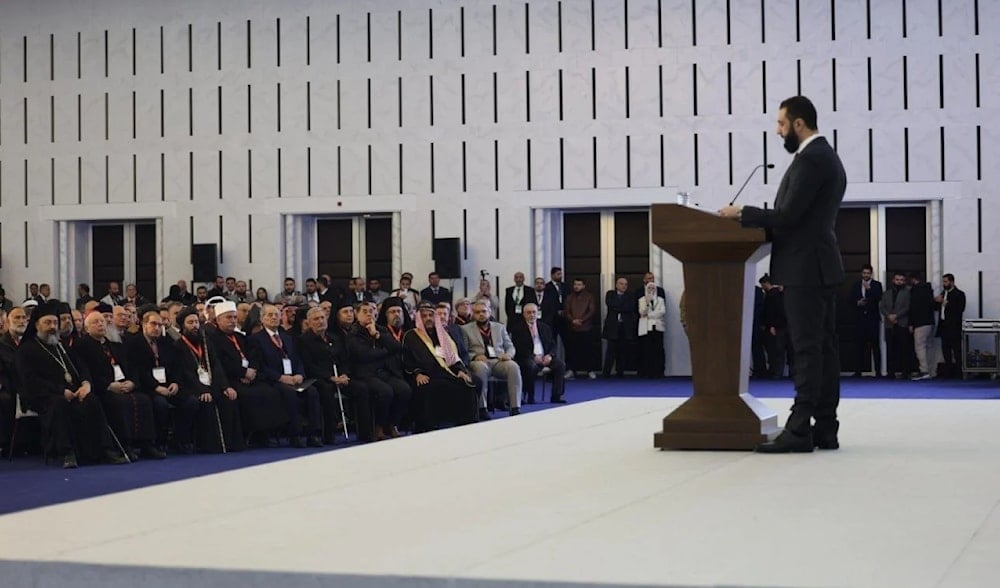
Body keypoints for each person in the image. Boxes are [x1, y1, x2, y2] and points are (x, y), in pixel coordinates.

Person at [719, 95, 847, 453]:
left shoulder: (811, 160)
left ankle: (799, 430)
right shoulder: (827, 158)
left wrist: (742, 212)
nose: (778, 131)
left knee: (808, 350)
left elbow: (788, 216)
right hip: (818, 266)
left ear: (799, 123)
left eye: (781, 124)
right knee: (822, 349)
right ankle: (824, 427)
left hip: (805, 268)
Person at [16, 301, 127, 468]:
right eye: (48, 323)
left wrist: (85, 384)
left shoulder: (60, 346)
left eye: (55, 322)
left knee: (91, 400)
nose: (53, 327)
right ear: (37, 325)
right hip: (42, 396)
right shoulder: (26, 350)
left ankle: (104, 450)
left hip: (71, 392)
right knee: (59, 404)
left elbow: (80, 367)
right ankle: (67, 452)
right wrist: (61, 390)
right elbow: (30, 381)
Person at [402, 302, 479, 431]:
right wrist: (417, 373)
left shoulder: (442, 334)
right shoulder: (411, 335)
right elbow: (407, 360)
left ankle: (465, 424)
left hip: (446, 372)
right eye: (424, 316)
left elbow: (453, 356)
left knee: (466, 383)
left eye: (430, 316)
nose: (428, 319)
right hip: (425, 374)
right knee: (429, 388)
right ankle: (430, 427)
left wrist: (460, 370)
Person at [510, 303, 566, 404]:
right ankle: (530, 396)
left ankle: (556, 396)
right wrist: (534, 357)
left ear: (537, 313)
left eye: (534, 312)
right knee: (530, 366)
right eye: (529, 313)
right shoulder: (517, 329)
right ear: (524, 314)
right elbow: (518, 348)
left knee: (560, 365)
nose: (532, 315)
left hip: (545, 356)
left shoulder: (545, 327)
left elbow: (553, 345)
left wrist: (550, 355)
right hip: (528, 358)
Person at [852, 264, 883, 377]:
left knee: (875, 345)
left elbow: (879, 298)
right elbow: (850, 300)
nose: (866, 275)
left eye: (868, 273)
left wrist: (869, 290)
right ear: (861, 273)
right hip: (860, 319)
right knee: (859, 345)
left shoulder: (876, 285)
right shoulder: (856, 285)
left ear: (871, 274)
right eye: (864, 273)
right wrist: (857, 303)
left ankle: (878, 371)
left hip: (872, 319)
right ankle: (858, 370)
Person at [935, 274, 966, 379]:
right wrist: (936, 301)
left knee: (956, 350)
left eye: (946, 282)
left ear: (952, 282)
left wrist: (946, 303)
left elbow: (959, 309)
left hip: (954, 326)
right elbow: (937, 307)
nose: (944, 284)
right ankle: (948, 372)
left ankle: (959, 372)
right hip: (944, 326)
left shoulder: (959, 294)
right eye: (943, 282)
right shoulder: (943, 293)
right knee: (945, 350)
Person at [636, 280, 667, 378]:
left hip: (658, 327)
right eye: (649, 288)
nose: (651, 290)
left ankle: (658, 371)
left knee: (658, 349)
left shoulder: (660, 300)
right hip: (646, 327)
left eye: (653, 288)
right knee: (646, 349)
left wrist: (649, 315)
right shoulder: (642, 300)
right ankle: (645, 371)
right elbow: (642, 312)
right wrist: (647, 302)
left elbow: (662, 312)